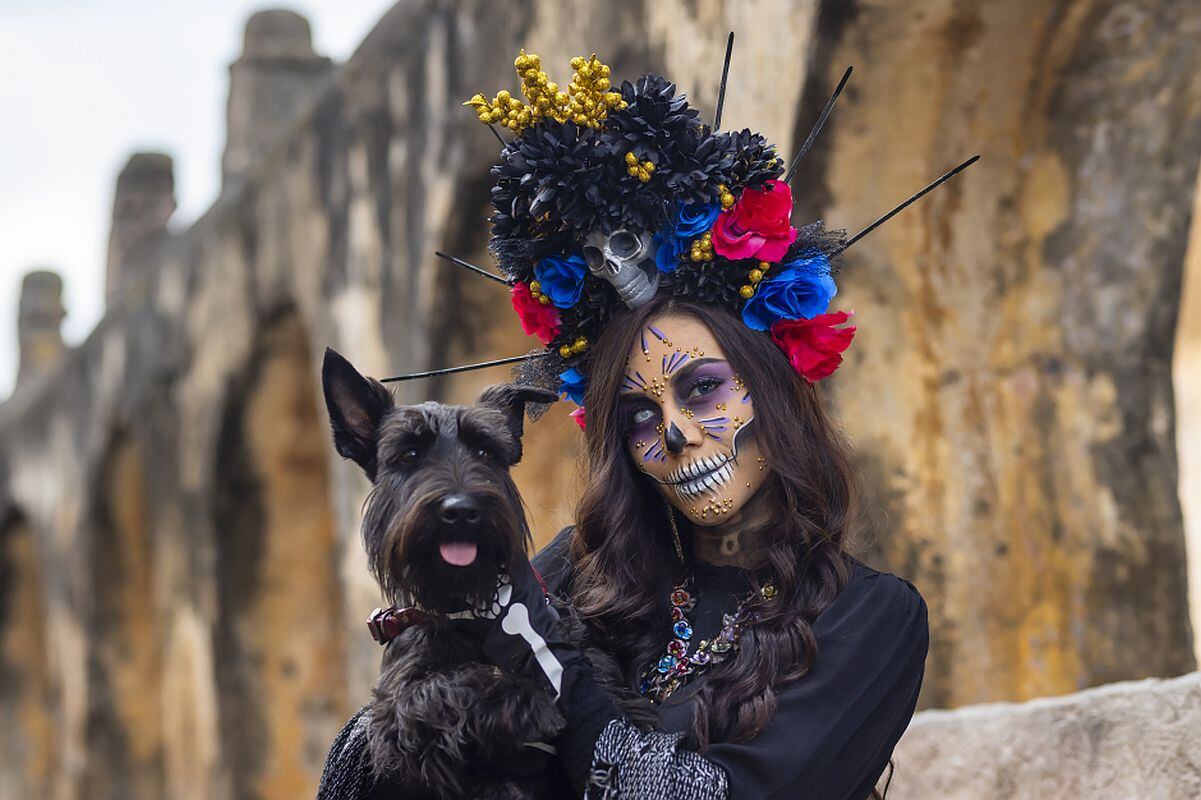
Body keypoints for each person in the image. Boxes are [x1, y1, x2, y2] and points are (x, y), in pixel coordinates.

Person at [320, 41, 961, 799]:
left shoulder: (868, 619)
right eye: (637, 414)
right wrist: (431, 645)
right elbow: (352, 783)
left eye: (701, 389)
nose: (677, 432)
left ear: (774, 391)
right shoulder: (566, 572)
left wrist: (544, 659)